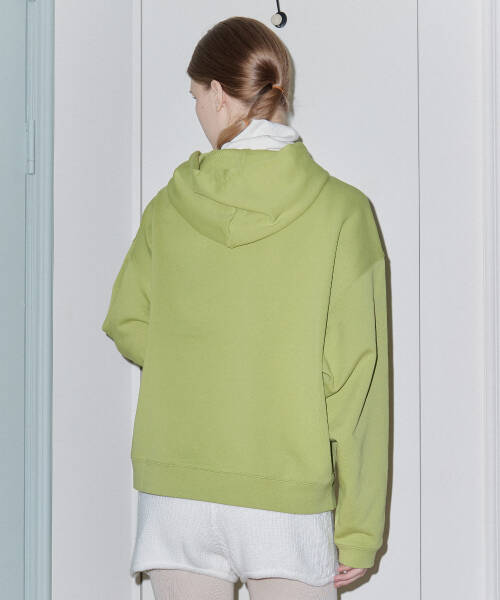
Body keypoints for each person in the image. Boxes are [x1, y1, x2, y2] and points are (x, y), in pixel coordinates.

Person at [101, 15, 390, 600]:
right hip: (285, 501)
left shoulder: (169, 205)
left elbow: (127, 320)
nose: (197, 112)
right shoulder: (343, 212)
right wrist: (359, 531)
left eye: (194, 97)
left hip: (177, 495)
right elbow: (358, 380)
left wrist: (197, 360)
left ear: (217, 92)